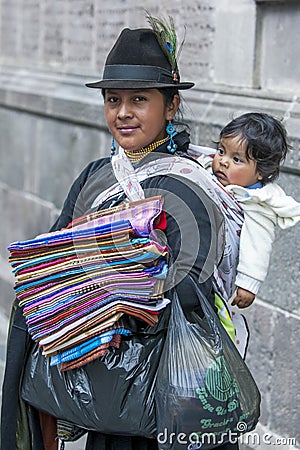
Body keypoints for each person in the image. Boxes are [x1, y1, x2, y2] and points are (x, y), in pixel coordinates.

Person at [1, 15, 247, 450]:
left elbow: (192, 285)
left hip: (163, 381)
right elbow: (56, 252)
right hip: (105, 381)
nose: (123, 112)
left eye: (139, 99)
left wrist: (117, 288)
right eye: (113, 100)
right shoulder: (96, 177)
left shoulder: (190, 184)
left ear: (170, 106)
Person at [193, 112, 300, 309]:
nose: (223, 161)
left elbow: (258, 244)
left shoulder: (258, 204)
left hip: (216, 272)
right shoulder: (208, 169)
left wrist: (249, 284)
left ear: (260, 172)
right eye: (221, 151)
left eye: (237, 159)